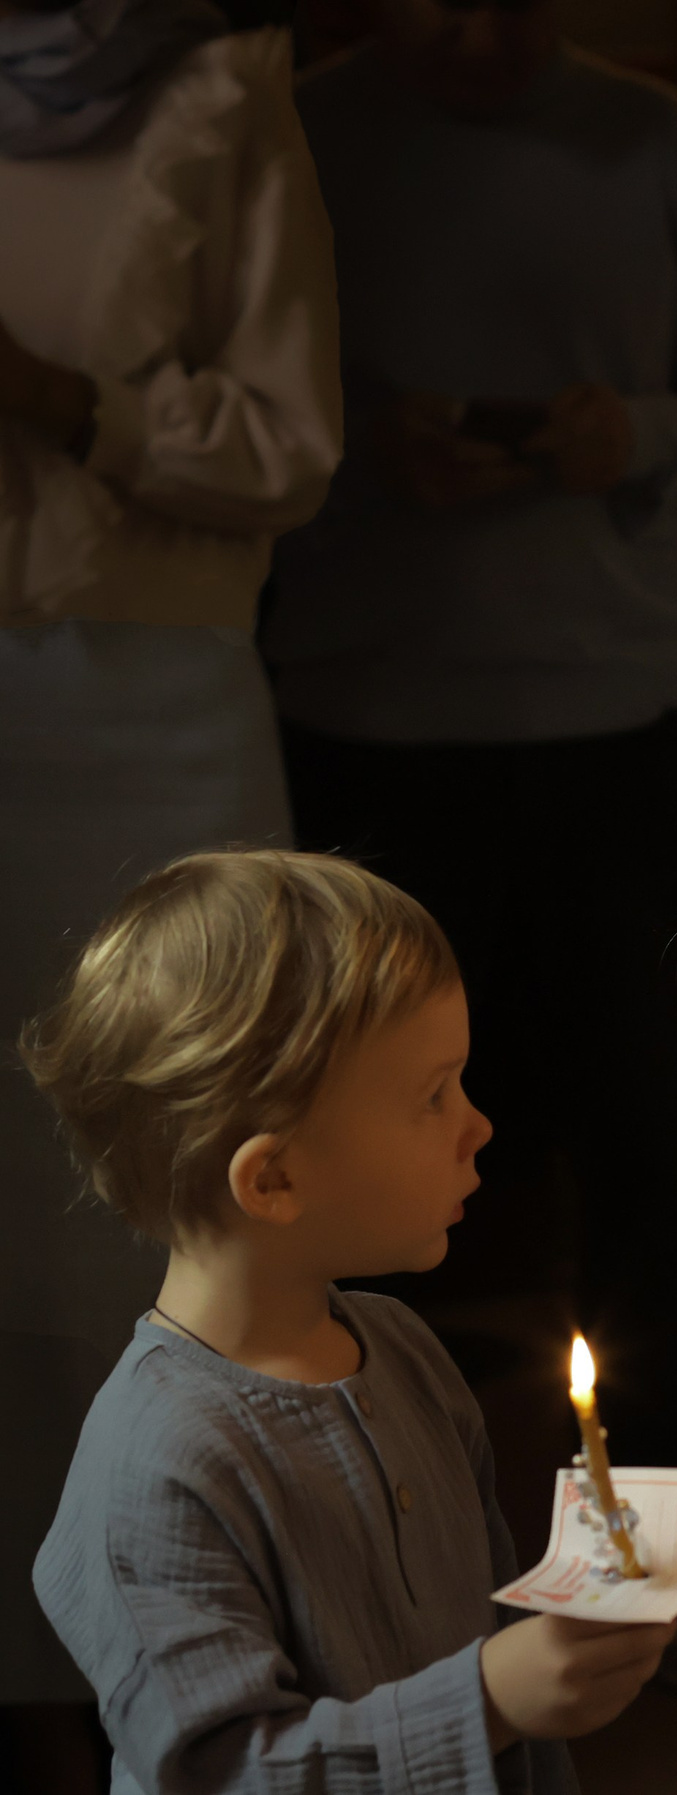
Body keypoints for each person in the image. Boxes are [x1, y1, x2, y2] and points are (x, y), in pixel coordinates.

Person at [267, 0, 677, 1468]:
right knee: (352, 1153)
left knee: (650, 1141)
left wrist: (636, 439)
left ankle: (658, 1509)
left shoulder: (650, 134)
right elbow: (213, 411)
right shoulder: (295, 128)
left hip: (613, 721)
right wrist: (358, 448)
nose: (475, 31)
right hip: (364, 723)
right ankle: (366, 1506)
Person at [23, 850, 675, 1794]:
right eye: (433, 1094)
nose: (478, 1125)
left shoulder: (403, 1348)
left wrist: (563, 1645)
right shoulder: (157, 1463)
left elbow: (494, 1633)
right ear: (274, 1178)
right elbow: (221, 1771)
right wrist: (490, 1699)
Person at [0, 5, 339, 1781]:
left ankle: (187, 1665)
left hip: (157, 703)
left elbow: (294, 446)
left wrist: (63, 399)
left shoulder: (224, 95)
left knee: (167, 1169)